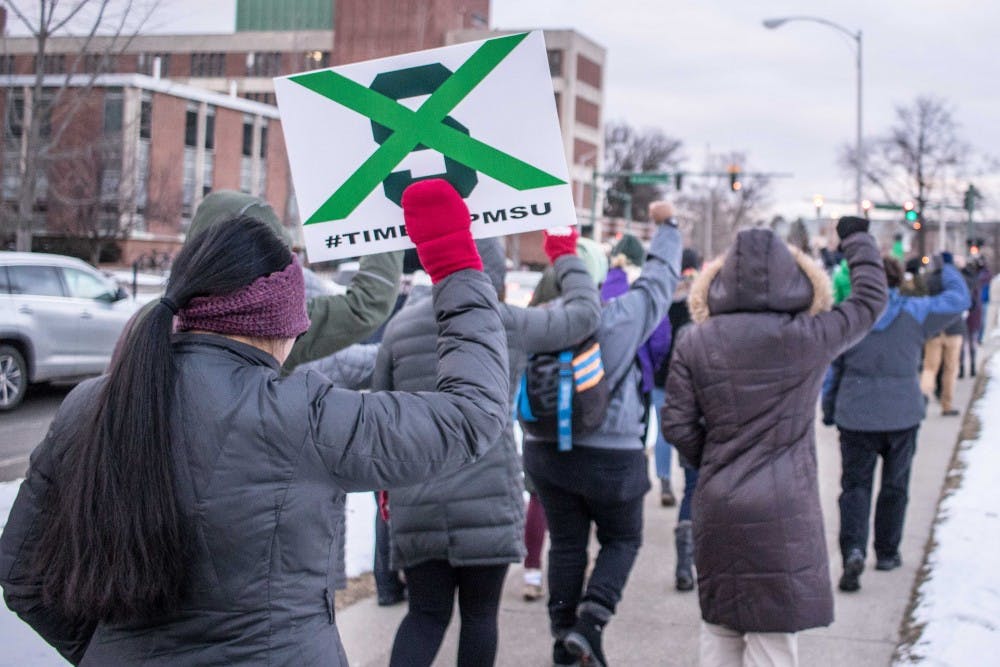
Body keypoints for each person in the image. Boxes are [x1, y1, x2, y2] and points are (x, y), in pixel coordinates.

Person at [0, 179, 510, 666]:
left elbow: (22, 575)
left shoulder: (89, 405)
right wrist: (456, 265)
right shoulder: (300, 415)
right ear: (279, 324)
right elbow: (470, 417)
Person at [661, 217, 888, 666]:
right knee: (773, 645)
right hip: (785, 507)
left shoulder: (695, 340)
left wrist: (713, 461)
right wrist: (857, 239)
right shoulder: (809, 338)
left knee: (719, 629)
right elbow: (868, 301)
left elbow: (677, 424)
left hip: (719, 502)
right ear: (796, 278)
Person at [378, 226, 601, 667]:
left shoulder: (399, 329)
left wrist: (386, 492)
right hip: (488, 494)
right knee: (480, 616)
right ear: (492, 273)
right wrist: (563, 255)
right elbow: (583, 315)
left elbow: (382, 413)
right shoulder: (504, 320)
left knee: (424, 615)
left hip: (416, 494)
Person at [524, 201, 682, 667]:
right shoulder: (616, 318)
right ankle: (590, 624)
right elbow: (658, 282)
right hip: (612, 456)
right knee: (623, 539)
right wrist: (667, 227)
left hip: (546, 453)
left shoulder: (533, 322)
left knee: (568, 543)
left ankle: (563, 637)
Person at [824, 253, 969, 591]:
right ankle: (887, 552)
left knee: (855, 487)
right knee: (895, 485)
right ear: (898, 279)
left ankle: (854, 550)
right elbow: (960, 299)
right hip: (902, 413)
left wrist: (829, 409)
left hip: (856, 412)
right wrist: (946, 266)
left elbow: (834, 368)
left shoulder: (850, 317)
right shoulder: (916, 313)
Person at [601, 234, 675, 507]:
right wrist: (650, 366)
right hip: (636, 379)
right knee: (634, 443)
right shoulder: (641, 293)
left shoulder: (599, 286)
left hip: (596, 377)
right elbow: (660, 336)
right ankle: (623, 501)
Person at [661, 249, 701, 592]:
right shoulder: (723, 336)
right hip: (720, 433)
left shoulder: (686, 336)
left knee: (691, 490)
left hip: (693, 428)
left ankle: (684, 564)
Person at [919, 257, 972, 416]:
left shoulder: (927, 280)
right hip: (954, 329)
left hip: (933, 331)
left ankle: (922, 400)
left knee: (930, 368)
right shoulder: (957, 280)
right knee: (951, 369)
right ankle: (947, 405)